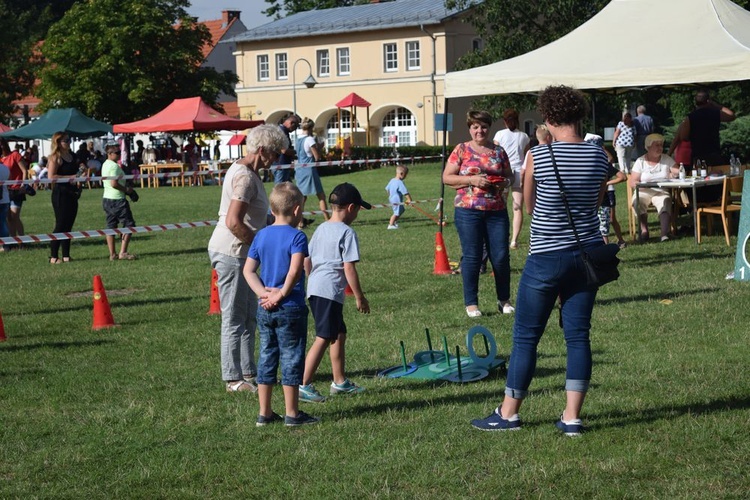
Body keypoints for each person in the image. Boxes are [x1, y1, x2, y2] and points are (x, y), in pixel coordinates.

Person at [470, 85, 610, 437]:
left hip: (546, 256)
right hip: (587, 255)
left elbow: (529, 206)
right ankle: (572, 417)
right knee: (578, 336)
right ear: (579, 116)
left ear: (547, 118)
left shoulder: (539, 156)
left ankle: (509, 413)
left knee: (527, 337)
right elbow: (595, 203)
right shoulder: (599, 156)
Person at [208, 124, 289, 393]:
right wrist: (261, 247)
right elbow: (234, 221)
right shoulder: (244, 177)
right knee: (233, 317)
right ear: (262, 150)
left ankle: (248, 372)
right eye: (276, 154)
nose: (277, 160)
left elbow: (253, 217)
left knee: (248, 316)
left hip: (240, 252)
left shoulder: (249, 172)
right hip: (232, 251)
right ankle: (232, 379)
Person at [243, 182, 319, 427]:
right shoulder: (298, 236)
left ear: (272, 209)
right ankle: (292, 413)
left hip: (265, 308)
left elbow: (249, 270)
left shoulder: (261, 235)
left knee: (267, 355)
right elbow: (296, 270)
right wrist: (280, 295)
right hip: (290, 306)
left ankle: (264, 413)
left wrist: (263, 294)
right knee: (291, 357)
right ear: (297, 210)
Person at [298, 182, 371, 403]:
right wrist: (359, 296)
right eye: (358, 209)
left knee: (338, 334)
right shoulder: (347, 232)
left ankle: (339, 382)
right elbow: (349, 267)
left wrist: (312, 280)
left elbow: (306, 259)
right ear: (350, 208)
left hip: (317, 288)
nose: (357, 214)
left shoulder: (320, 228)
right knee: (324, 336)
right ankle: (303, 384)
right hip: (329, 291)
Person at [443, 110, 514, 318]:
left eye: (483, 126)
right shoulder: (461, 150)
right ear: (470, 128)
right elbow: (447, 178)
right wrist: (471, 180)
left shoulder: (499, 151)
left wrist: (504, 183)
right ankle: (471, 303)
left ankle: (504, 300)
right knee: (472, 257)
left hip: (496, 210)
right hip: (468, 211)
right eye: (475, 127)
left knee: (500, 257)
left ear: (489, 128)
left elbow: (510, 176)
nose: (479, 131)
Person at [629, 133, 680, 243]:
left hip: (661, 191)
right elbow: (632, 181)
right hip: (644, 191)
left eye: (661, 145)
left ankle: (664, 233)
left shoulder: (666, 159)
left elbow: (678, 171)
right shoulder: (640, 161)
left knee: (665, 201)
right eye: (656, 145)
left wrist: (675, 173)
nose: (660, 148)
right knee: (637, 201)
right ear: (648, 147)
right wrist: (639, 184)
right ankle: (644, 231)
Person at [493, 108, 530, 249]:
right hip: (519, 171)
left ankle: (502, 236)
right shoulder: (524, 136)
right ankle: (514, 240)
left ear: (504, 121)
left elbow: (495, 154)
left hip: (503, 171)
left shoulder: (499, 135)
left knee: (501, 206)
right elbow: (527, 156)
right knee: (517, 207)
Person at [670, 89, 735, 168]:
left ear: (696, 102)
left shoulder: (690, 117)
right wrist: (716, 105)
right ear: (708, 101)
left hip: (698, 154)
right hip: (714, 152)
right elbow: (731, 115)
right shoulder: (715, 113)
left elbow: (684, 137)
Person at [585, 134, 627, 247]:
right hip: (591, 201)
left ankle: (608, 247)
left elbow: (622, 176)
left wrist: (606, 183)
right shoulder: (588, 164)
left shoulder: (603, 164)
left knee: (605, 225)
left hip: (604, 199)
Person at [47, 132, 81, 264]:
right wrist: (70, 177)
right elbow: (51, 177)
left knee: (69, 225)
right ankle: (53, 256)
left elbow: (76, 172)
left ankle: (66, 255)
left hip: (72, 193)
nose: (68, 142)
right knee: (60, 224)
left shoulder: (72, 156)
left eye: (69, 140)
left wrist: (80, 173)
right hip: (60, 193)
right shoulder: (55, 157)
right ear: (58, 142)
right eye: (65, 140)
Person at [102, 144, 138, 261]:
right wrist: (127, 190)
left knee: (111, 226)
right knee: (129, 224)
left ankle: (112, 254)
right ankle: (123, 252)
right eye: (117, 153)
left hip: (107, 199)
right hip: (117, 199)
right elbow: (114, 183)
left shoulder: (105, 164)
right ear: (110, 154)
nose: (119, 155)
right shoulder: (114, 166)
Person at [294, 118, 328, 227]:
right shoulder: (309, 139)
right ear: (311, 128)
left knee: (302, 197)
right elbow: (317, 157)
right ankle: (327, 219)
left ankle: (300, 221)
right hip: (309, 170)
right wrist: (320, 147)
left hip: (299, 169)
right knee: (321, 196)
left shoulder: (298, 139)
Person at [1, 137, 29, 245]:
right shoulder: (1, 159)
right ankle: (12, 240)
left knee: (14, 216)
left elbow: (24, 170)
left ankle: (22, 240)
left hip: (17, 190)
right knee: (8, 217)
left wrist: (24, 184)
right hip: (6, 191)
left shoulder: (15, 155)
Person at [272, 113, 300, 184]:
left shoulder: (281, 131)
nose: (295, 129)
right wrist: (295, 152)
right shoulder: (282, 132)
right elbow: (284, 150)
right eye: (295, 126)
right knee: (279, 189)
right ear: (291, 123)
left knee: (289, 188)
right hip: (281, 165)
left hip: (282, 164)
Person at [385, 165, 412, 229]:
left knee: (401, 210)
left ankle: (394, 222)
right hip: (396, 200)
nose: (405, 176)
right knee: (396, 213)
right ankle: (390, 225)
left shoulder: (392, 180)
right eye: (405, 175)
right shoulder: (400, 182)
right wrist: (409, 199)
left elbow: (387, 189)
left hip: (392, 199)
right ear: (401, 174)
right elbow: (405, 192)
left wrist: (390, 196)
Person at [0, 160, 9, 252]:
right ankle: (5, 245)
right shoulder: (5, 168)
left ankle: (3, 245)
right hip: (5, 199)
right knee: (3, 223)